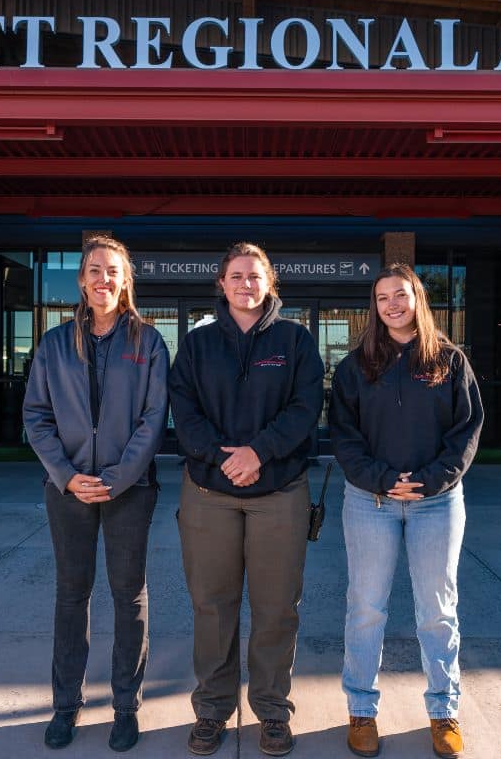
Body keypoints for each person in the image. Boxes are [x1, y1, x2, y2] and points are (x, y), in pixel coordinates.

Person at [168, 242, 324, 757]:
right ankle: (212, 710)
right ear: (222, 284)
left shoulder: (296, 341)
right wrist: (221, 456)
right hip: (209, 492)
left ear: (269, 283)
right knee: (212, 606)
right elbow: (184, 412)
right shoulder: (196, 345)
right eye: (236, 275)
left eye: (255, 276)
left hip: (279, 492)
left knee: (277, 608)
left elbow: (305, 409)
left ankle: (272, 711)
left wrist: (259, 451)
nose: (245, 284)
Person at [329, 263, 484, 759]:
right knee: (366, 609)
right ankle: (361, 710)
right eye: (382, 298)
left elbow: (467, 431)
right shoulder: (355, 367)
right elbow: (344, 437)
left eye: (400, 294)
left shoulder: (451, 361)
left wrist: (429, 481)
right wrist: (382, 480)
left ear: (417, 298)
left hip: (436, 504)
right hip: (369, 503)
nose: (392, 304)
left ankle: (443, 712)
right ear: (374, 308)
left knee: (438, 612)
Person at [23, 236, 169, 753]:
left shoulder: (148, 343)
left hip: (129, 491)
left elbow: (154, 420)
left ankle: (126, 707)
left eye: (113, 271)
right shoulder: (55, 343)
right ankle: (66, 707)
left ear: (125, 280)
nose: (103, 279)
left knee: (129, 598)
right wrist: (66, 475)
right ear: (82, 281)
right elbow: (36, 417)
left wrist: (117, 477)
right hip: (67, 492)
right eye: (94, 271)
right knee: (71, 596)